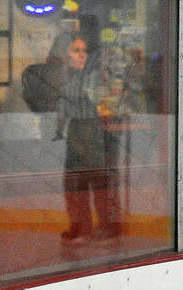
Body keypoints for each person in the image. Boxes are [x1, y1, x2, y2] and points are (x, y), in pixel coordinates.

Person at [56, 33, 120, 244]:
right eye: (76, 50)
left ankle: (104, 227)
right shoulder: (67, 75)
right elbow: (62, 107)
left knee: (96, 182)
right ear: (66, 54)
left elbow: (93, 97)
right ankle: (81, 226)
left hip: (94, 130)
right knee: (75, 183)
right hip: (75, 131)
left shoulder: (89, 76)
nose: (82, 55)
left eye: (84, 50)